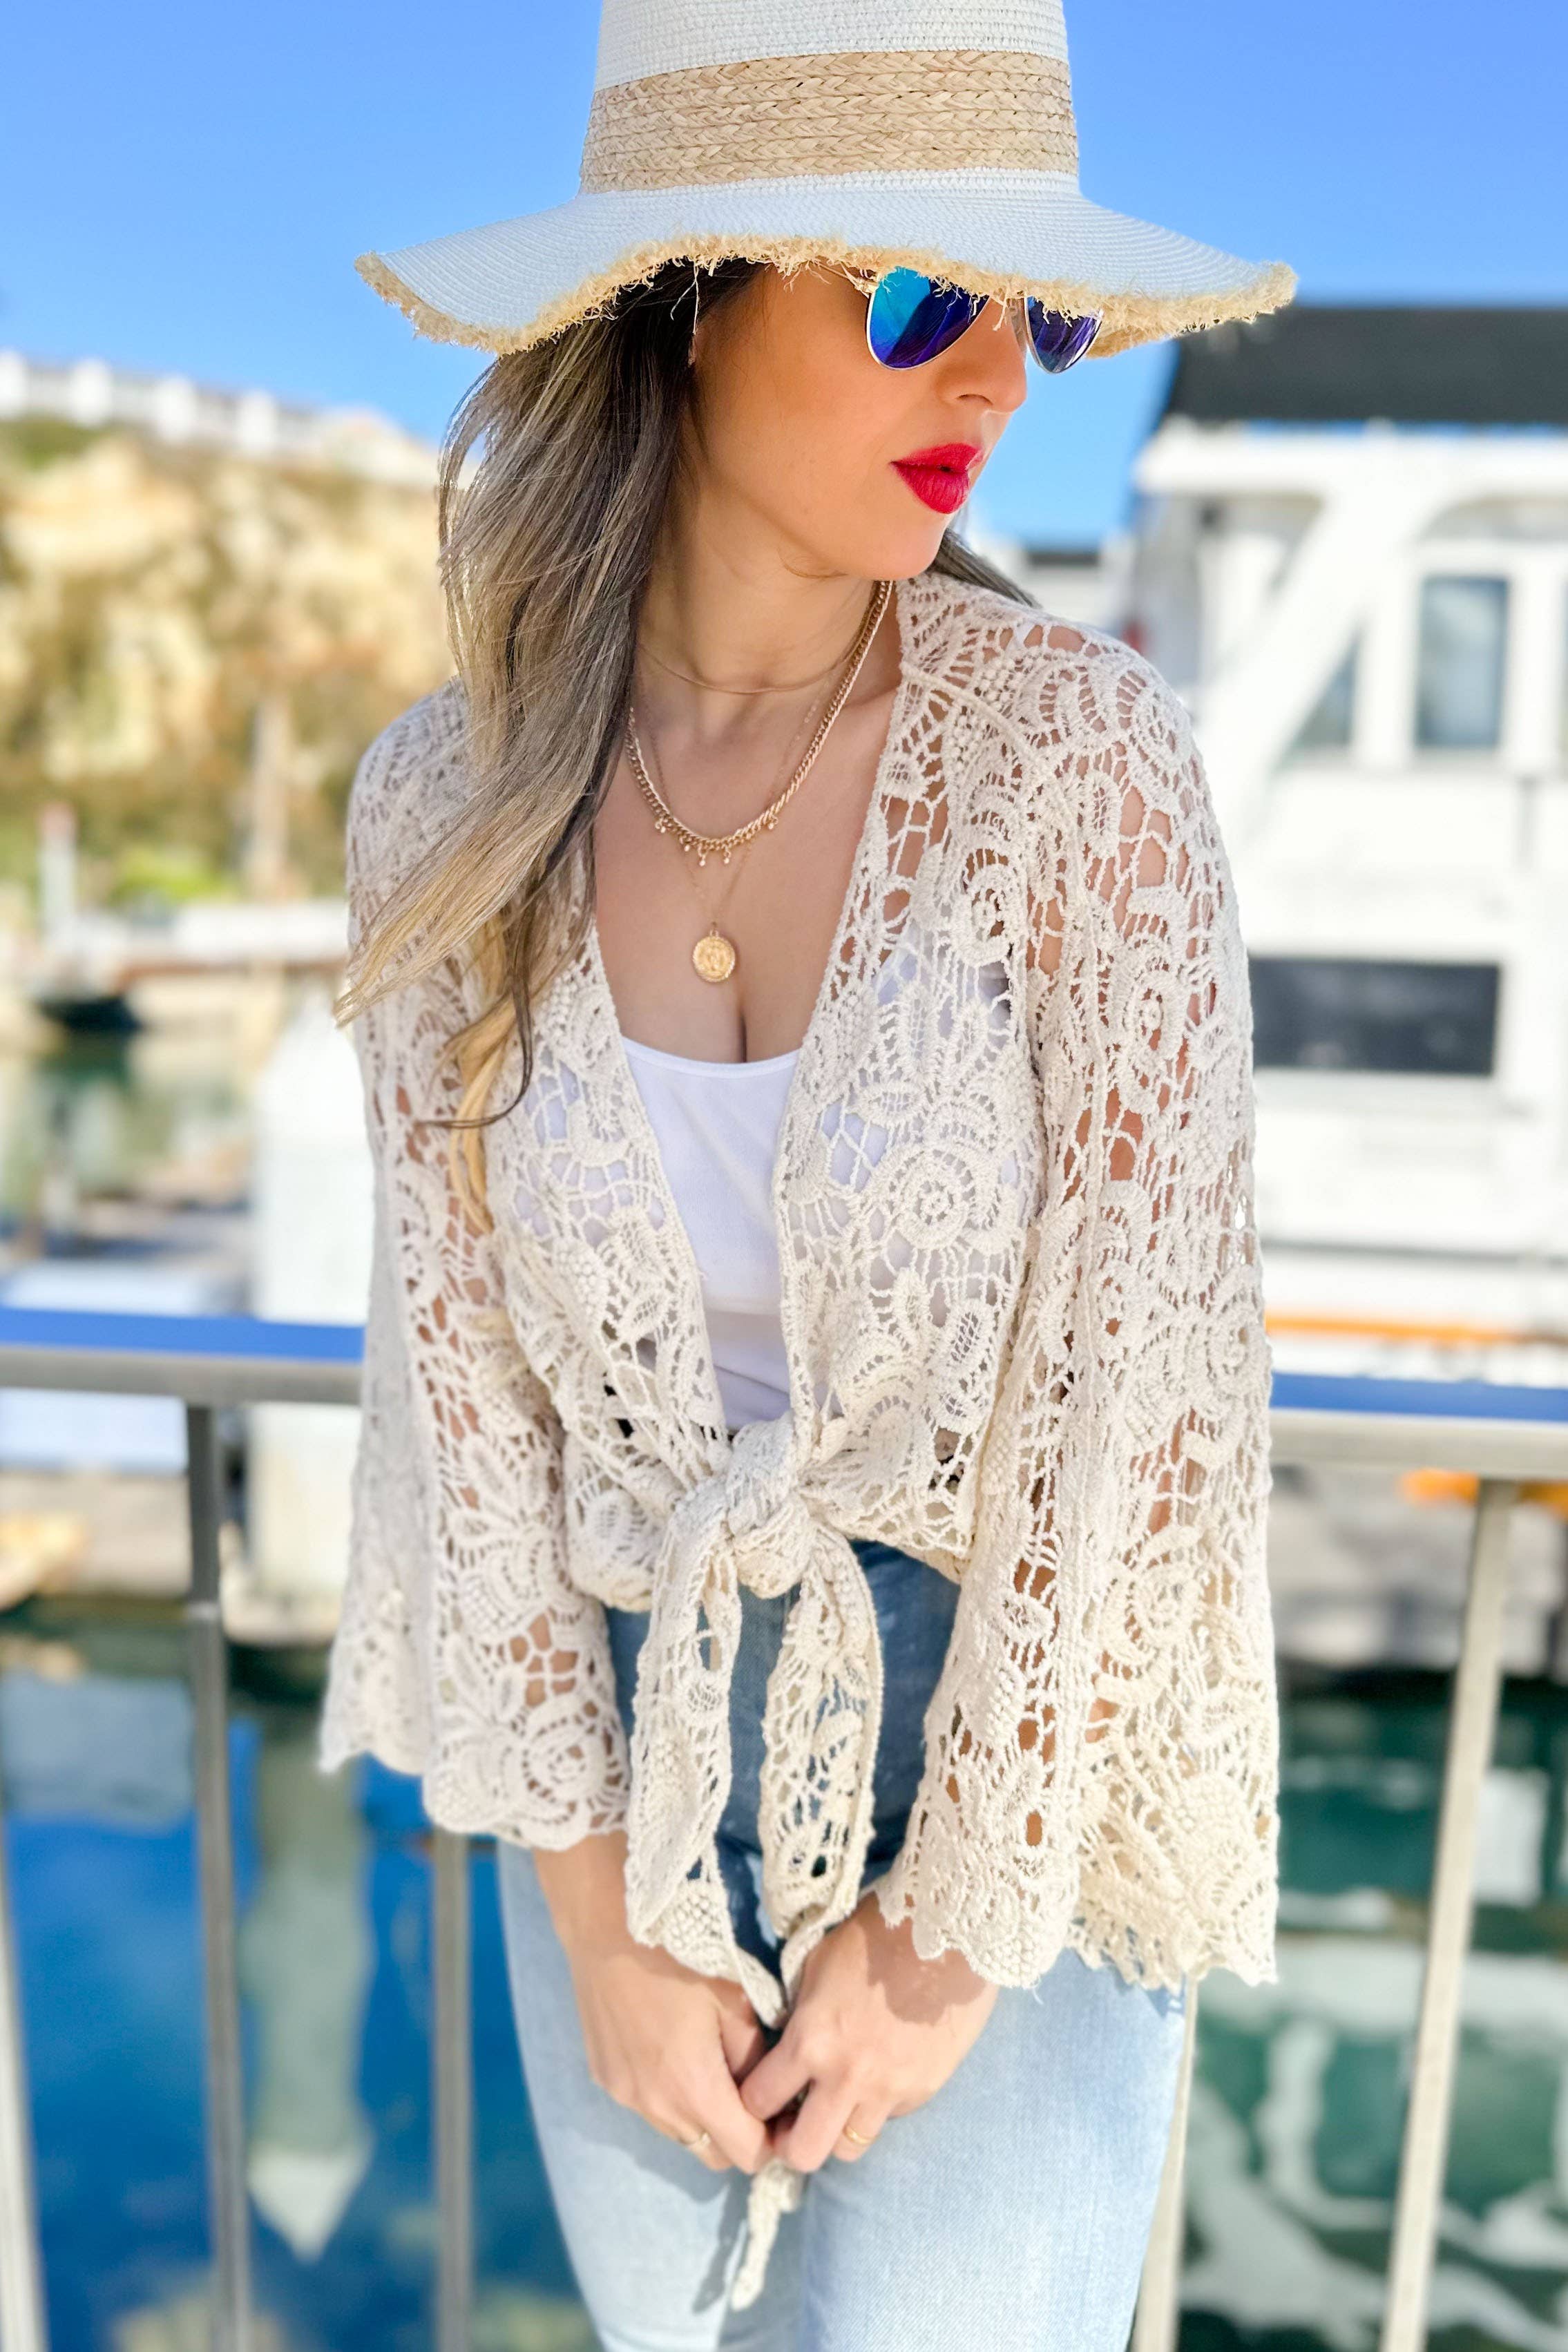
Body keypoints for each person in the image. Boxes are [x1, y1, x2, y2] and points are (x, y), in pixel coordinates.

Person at [318, 3, 1295, 2345]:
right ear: (682, 302)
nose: (1001, 379)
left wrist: (947, 1934)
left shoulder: (1081, 765)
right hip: (613, 1763)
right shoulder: (442, 805)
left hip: (1012, 1777)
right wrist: (598, 1918)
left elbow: (1145, 1394)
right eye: (919, 297)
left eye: (1041, 318)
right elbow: (462, 1407)